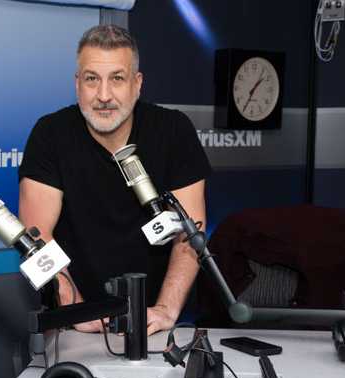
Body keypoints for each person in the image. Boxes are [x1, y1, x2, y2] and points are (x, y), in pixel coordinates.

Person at [18, 24, 211, 336]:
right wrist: (74, 308)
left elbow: (191, 232)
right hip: (75, 322)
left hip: (158, 322)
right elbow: (36, 237)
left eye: (117, 79)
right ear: (77, 84)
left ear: (137, 84)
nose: (104, 96)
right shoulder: (50, 134)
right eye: (92, 79)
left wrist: (166, 309)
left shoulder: (174, 130)